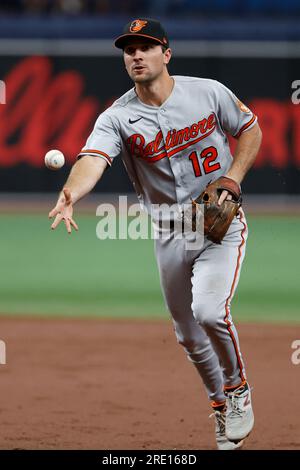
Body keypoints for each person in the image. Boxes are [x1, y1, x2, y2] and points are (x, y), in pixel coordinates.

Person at [49, 18, 262, 450]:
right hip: (169, 233)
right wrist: (72, 190)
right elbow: (93, 158)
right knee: (187, 333)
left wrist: (234, 179)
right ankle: (220, 406)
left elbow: (250, 130)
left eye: (146, 47)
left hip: (220, 226)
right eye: (129, 49)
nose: (136, 55)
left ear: (166, 54)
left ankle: (238, 389)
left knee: (209, 312)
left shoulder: (208, 92)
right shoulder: (118, 117)